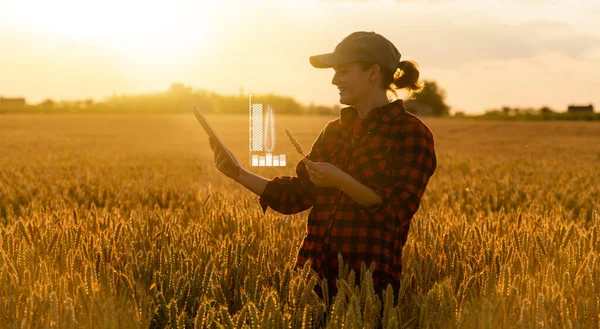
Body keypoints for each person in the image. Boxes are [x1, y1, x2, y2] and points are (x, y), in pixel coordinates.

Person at [209, 31, 437, 307]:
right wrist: (238, 173)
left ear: (373, 73)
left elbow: (396, 210)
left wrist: (341, 181)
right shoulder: (334, 132)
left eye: (343, 71)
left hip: (368, 286)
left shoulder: (411, 134)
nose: (334, 80)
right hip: (310, 281)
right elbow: (297, 194)